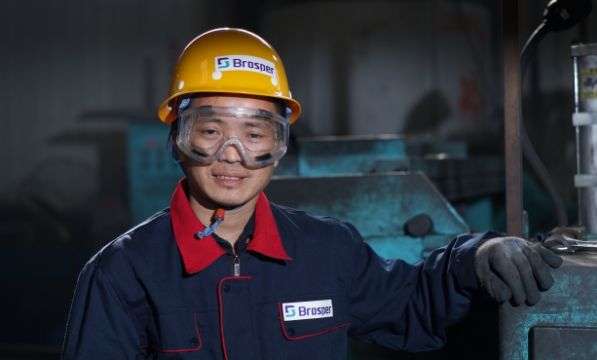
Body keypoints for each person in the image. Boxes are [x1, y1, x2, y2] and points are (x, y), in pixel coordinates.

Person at [62, 28, 563, 359]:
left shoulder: (326, 250)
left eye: (256, 135)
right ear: (176, 137)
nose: (232, 154)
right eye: (209, 131)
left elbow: (413, 306)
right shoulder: (122, 273)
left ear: (279, 146)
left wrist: (475, 257)